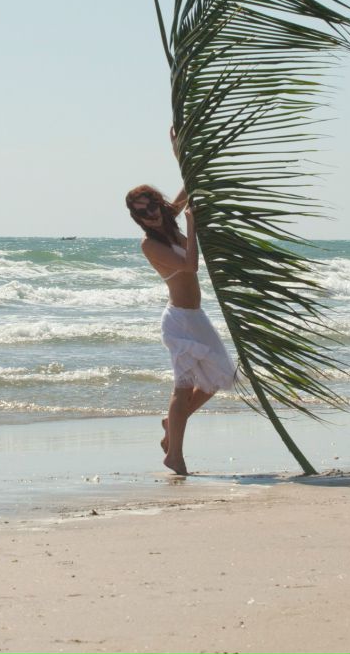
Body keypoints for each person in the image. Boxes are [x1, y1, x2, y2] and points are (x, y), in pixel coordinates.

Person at [125, 131, 240, 475]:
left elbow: (189, 185)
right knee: (183, 386)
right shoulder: (149, 244)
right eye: (143, 214)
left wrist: (179, 153)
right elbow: (190, 265)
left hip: (197, 317)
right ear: (138, 218)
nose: (152, 216)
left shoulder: (168, 219)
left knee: (221, 377)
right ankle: (174, 455)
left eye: (154, 207)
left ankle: (171, 424)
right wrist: (191, 224)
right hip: (178, 322)